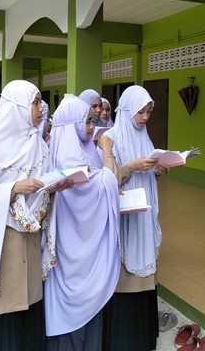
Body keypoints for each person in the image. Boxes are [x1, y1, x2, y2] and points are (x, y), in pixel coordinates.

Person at [0, 80, 71, 351]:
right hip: (1, 246)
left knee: (28, 307)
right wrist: (12, 188)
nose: (41, 109)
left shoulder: (39, 146)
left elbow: (38, 193)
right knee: (4, 312)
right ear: (17, 107)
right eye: (35, 102)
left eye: (40, 102)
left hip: (28, 244)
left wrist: (53, 188)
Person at [44, 96, 121, 350]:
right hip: (72, 254)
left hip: (84, 252)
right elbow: (106, 184)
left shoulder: (83, 151)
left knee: (88, 316)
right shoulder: (69, 159)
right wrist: (107, 150)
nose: (91, 127)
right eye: (87, 121)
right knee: (73, 322)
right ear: (72, 124)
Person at [97, 85, 168, 351]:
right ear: (127, 110)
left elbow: (146, 174)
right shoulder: (110, 138)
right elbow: (108, 180)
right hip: (125, 217)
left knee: (146, 279)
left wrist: (156, 170)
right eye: (141, 112)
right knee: (126, 280)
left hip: (144, 214)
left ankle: (144, 338)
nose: (145, 118)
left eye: (148, 112)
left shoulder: (144, 137)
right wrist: (132, 167)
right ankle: (123, 341)